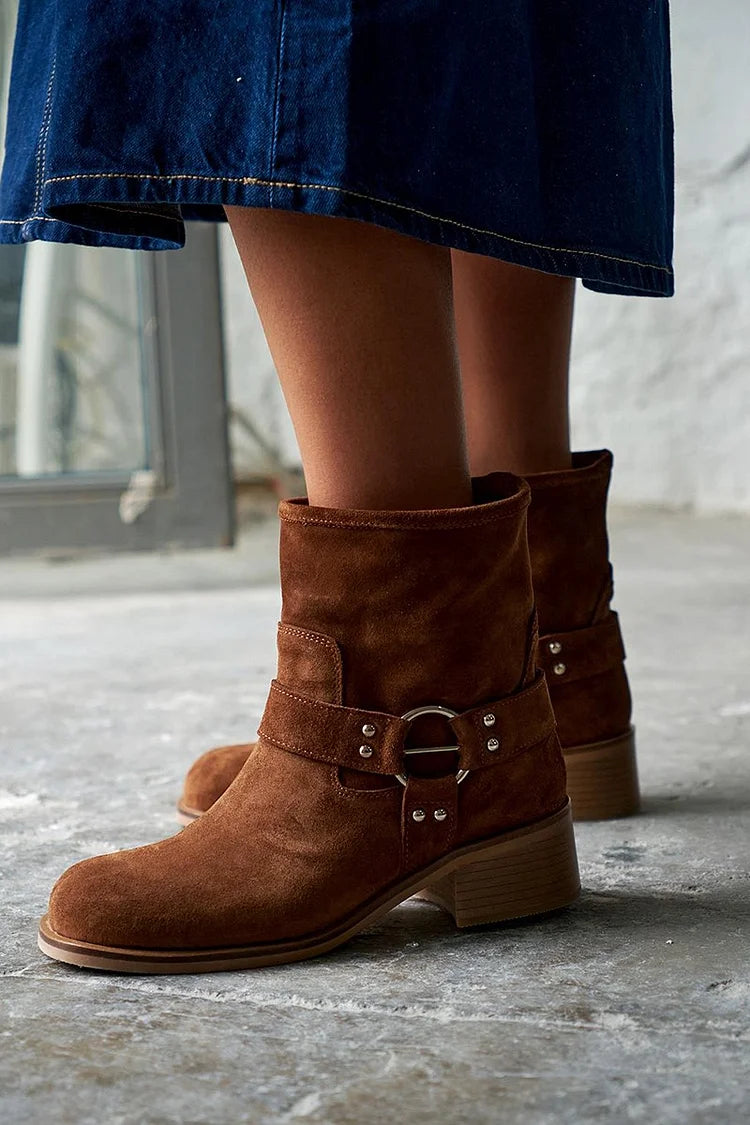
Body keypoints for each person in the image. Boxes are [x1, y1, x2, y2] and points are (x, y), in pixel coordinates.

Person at [1, 1, 673, 973]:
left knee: (300, 36)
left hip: (407, 748)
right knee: (474, 38)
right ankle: (539, 667)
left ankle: (409, 730)